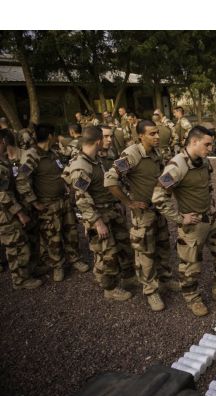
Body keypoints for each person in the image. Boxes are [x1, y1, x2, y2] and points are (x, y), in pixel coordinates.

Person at [152, 126, 216, 317]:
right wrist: (179, 218)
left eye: (211, 145)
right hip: (191, 225)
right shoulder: (177, 166)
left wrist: (211, 208)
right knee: (190, 266)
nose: (210, 149)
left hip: (210, 219)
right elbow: (158, 198)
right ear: (194, 142)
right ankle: (192, 299)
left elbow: (207, 187)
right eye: (207, 144)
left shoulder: (203, 161)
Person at [105, 120, 179, 311]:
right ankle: (150, 291)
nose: (157, 136)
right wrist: (128, 202)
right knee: (145, 252)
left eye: (157, 133)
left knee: (163, 246)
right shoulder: (131, 154)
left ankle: (165, 279)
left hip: (158, 209)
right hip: (143, 213)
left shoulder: (156, 152)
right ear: (141, 136)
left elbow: (161, 176)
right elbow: (110, 179)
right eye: (152, 134)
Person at [63, 127, 135, 301]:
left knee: (122, 245)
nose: (108, 140)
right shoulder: (81, 165)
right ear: (98, 141)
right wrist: (96, 222)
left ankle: (125, 277)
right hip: (98, 215)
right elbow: (81, 197)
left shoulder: (96, 160)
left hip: (110, 210)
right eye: (105, 137)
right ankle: (110, 288)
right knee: (107, 253)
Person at [16, 124, 89, 282]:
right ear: (50, 136)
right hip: (47, 205)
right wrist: (35, 203)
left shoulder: (53, 153)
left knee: (71, 232)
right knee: (52, 236)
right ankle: (58, 265)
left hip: (63, 201)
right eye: (55, 135)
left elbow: (61, 172)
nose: (57, 138)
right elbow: (21, 180)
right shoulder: (32, 155)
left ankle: (75, 259)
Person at [0, 129, 42, 290]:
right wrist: (19, 212)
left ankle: (29, 270)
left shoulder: (4, 161)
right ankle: (20, 280)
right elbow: (3, 194)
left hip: (8, 211)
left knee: (22, 242)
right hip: (6, 214)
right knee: (15, 246)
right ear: (3, 141)